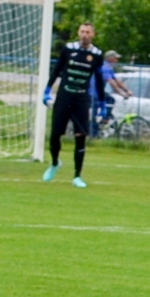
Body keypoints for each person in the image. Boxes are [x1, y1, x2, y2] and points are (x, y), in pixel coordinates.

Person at [44, 23, 104, 187]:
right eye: (82, 31)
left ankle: (77, 176)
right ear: (78, 33)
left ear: (93, 34)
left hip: (81, 99)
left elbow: (99, 80)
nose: (85, 34)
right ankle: (55, 162)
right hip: (64, 96)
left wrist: (102, 103)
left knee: (80, 135)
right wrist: (47, 90)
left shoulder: (97, 54)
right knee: (55, 135)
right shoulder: (69, 49)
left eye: (88, 32)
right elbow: (57, 70)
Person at [91, 50, 135, 136]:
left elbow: (117, 81)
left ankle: (105, 118)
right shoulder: (104, 67)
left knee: (111, 100)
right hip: (93, 93)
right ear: (110, 58)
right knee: (94, 114)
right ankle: (93, 134)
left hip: (99, 92)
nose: (117, 61)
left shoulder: (109, 68)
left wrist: (127, 90)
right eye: (115, 58)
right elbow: (112, 83)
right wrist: (121, 94)